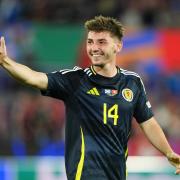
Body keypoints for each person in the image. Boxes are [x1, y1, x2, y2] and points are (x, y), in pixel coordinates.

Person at [0, 15, 179, 180]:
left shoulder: (133, 83)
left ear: (118, 46)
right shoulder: (75, 80)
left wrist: (168, 152)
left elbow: (148, 122)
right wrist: (5, 61)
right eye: (90, 42)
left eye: (101, 42)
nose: (94, 48)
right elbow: (34, 77)